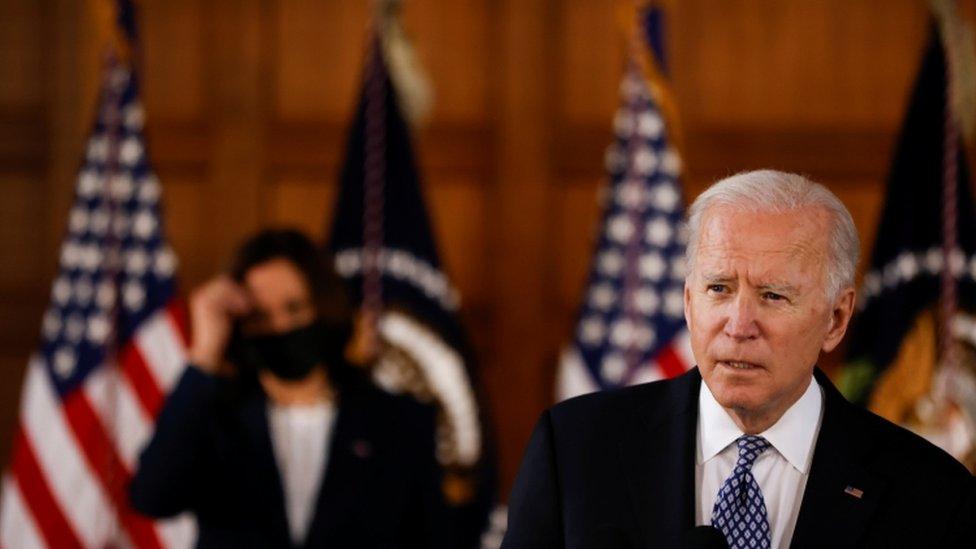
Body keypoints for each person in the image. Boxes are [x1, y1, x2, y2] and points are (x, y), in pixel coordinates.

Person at [502, 170, 975, 548]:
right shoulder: (574, 451)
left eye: (772, 295)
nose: (738, 323)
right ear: (689, 303)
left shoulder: (931, 494)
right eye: (719, 289)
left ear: (835, 319)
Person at [130, 229, 449, 548]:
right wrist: (203, 355)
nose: (280, 327)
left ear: (324, 307)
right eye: (260, 316)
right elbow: (152, 498)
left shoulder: (398, 422)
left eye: (294, 309)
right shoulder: (213, 417)